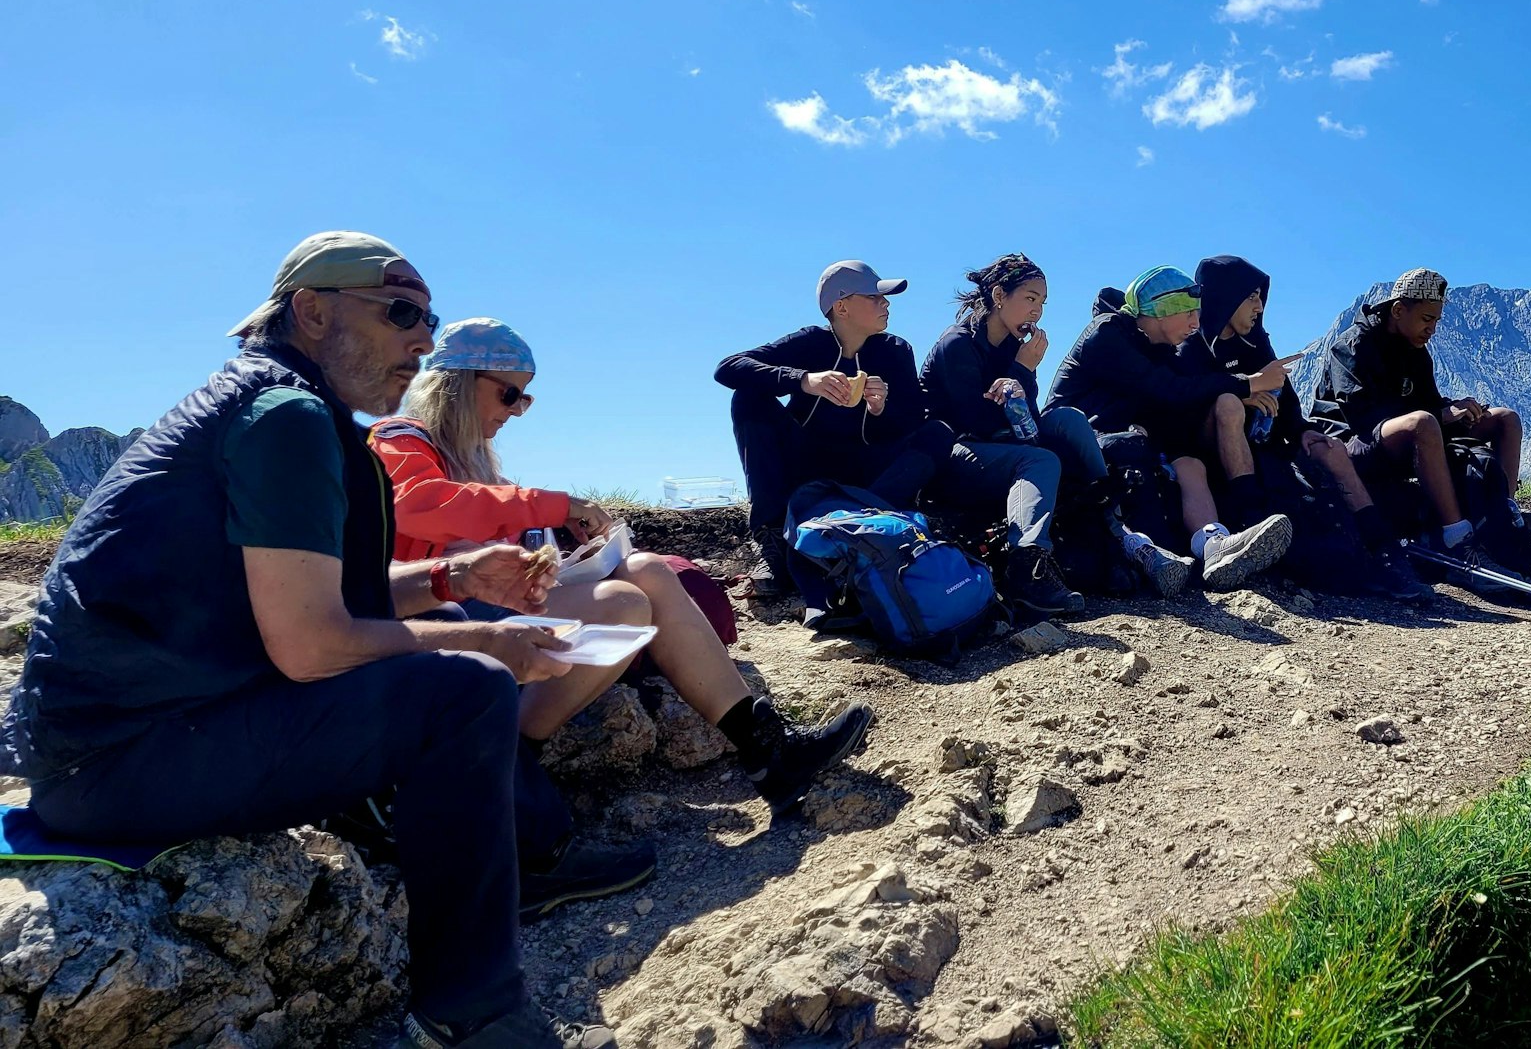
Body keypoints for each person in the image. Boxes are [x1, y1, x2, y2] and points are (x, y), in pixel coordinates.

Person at [0, 232, 617, 1048]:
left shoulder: (275, 405)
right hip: (122, 761)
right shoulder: (285, 418)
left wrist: (456, 580)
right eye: (401, 313)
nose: (424, 341)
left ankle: (513, 862)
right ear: (312, 311)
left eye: (428, 319)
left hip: (124, 739)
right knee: (465, 684)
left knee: (461, 639)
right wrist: (492, 650)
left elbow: (313, 599)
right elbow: (311, 645)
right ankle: (472, 1013)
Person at [371, 317, 873, 812]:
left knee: (648, 570)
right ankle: (508, 769)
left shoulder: (467, 458)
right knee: (623, 604)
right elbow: (419, 504)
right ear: (458, 384)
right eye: (509, 395)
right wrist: (557, 505)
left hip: (481, 609)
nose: (518, 412)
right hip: (428, 624)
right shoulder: (399, 438)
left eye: (525, 398)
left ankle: (768, 747)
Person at [920, 254, 1195, 610]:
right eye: (1030, 299)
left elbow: (1028, 415)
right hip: (956, 453)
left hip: (998, 443)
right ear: (1000, 295)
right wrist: (1021, 369)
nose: (1036, 312)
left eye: (1042, 303)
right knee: (1042, 461)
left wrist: (1022, 372)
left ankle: (1114, 528)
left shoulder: (1013, 348)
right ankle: (1027, 568)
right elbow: (978, 423)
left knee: (1068, 417)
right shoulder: (959, 344)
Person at [1180, 255, 1430, 600]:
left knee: (1333, 450)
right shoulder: (1191, 347)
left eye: (1259, 296)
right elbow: (1183, 400)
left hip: (1263, 444)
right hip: (1212, 452)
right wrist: (1242, 388)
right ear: (1226, 297)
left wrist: (1301, 431)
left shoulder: (1254, 341)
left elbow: (1286, 400)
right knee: (1228, 404)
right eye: (1250, 296)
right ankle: (1251, 516)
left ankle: (1383, 549)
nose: (1259, 305)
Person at [1047, 265, 1293, 590]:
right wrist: (1249, 384)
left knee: (1189, 460)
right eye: (1189, 313)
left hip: (1127, 435)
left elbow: (1187, 386)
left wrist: (1238, 396)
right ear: (1161, 311)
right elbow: (1166, 388)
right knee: (1135, 448)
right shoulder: (1107, 332)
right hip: (1078, 437)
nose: (1196, 322)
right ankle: (1147, 553)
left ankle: (1214, 545)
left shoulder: (1159, 348)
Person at [716, 260, 954, 595]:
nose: (885, 303)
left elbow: (913, 422)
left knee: (939, 433)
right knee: (748, 397)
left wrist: (881, 409)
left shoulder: (895, 351)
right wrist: (803, 380)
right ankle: (772, 543)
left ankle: (868, 525)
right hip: (805, 465)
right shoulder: (811, 343)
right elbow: (728, 368)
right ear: (841, 306)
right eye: (874, 297)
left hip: (869, 477)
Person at [1309, 267, 1531, 582]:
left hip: (1405, 434)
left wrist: (1456, 408)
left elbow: (1428, 401)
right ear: (1399, 310)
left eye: (1437, 321)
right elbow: (1363, 416)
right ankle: (1458, 540)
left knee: (1505, 419)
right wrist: (1440, 415)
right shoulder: (1353, 345)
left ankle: (1505, 521)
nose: (1432, 329)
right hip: (1349, 443)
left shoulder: (1417, 351)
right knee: (1424, 422)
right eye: (1427, 319)